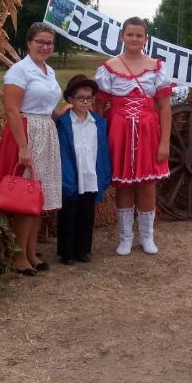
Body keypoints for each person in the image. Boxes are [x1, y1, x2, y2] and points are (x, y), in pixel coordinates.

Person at [0, 22, 63, 276]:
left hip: (46, 132)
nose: (45, 46)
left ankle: (31, 252)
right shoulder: (19, 71)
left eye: (49, 43)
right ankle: (18, 256)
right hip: (26, 132)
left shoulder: (49, 71)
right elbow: (11, 110)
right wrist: (23, 147)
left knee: (37, 196)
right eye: (40, 42)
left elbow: (49, 106)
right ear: (29, 43)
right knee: (24, 195)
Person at [94, 17, 172, 255]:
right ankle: (125, 238)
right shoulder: (109, 67)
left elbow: (165, 108)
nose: (134, 39)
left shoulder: (156, 67)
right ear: (122, 36)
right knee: (124, 186)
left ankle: (147, 237)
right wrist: (100, 140)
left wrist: (164, 142)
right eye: (130, 34)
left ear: (145, 38)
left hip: (148, 132)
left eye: (139, 35)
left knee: (147, 185)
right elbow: (99, 108)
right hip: (119, 131)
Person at [54, 74, 112, 265]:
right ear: (71, 99)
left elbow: (102, 150)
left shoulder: (98, 123)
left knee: (87, 213)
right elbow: (63, 151)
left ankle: (83, 250)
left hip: (90, 175)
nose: (85, 102)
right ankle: (67, 252)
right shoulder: (64, 123)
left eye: (89, 98)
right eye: (80, 98)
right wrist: (66, 177)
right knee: (69, 214)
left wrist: (104, 174)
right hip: (72, 174)